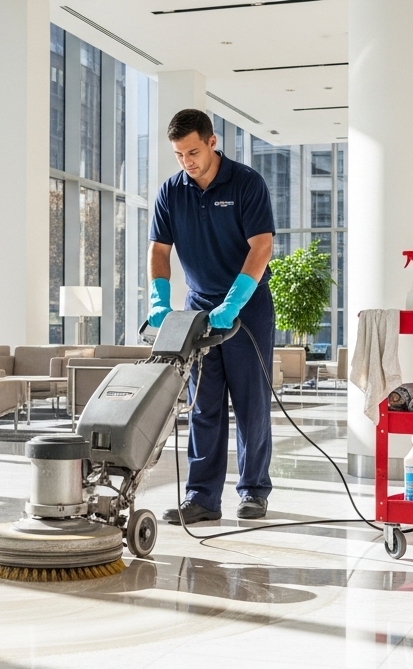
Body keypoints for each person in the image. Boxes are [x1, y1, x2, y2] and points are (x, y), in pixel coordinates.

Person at [148, 109, 275, 523]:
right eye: (179, 154)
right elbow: (159, 250)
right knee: (202, 405)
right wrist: (159, 302)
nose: (187, 161)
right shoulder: (171, 192)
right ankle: (202, 497)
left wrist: (235, 302)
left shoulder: (245, 183)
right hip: (199, 310)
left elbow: (262, 247)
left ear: (212, 141)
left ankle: (254, 491)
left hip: (247, 306)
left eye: (193, 151)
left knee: (251, 402)